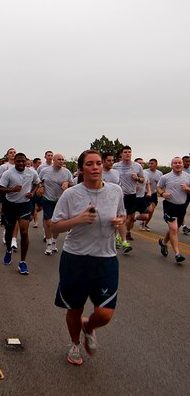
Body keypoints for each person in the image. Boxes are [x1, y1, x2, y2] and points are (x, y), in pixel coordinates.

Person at [51, 150, 124, 366]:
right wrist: (79, 219)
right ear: (81, 168)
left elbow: (123, 214)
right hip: (76, 258)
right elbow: (54, 227)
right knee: (75, 308)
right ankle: (74, 344)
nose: (95, 167)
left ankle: (89, 327)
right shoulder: (71, 194)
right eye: (89, 164)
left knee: (104, 314)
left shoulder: (116, 191)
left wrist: (120, 222)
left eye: (98, 163)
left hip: (106, 258)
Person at [0, 152, 40, 274]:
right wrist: (12, 189)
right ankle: (8, 250)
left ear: (26, 161)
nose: (21, 163)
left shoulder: (31, 172)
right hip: (10, 205)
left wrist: (32, 193)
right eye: (18, 161)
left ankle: (22, 262)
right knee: (9, 230)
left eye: (23, 161)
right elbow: (0, 189)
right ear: (14, 162)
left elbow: (37, 183)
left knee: (24, 231)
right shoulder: (8, 173)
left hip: (25, 205)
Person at [38, 153, 74, 255]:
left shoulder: (66, 172)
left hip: (60, 200)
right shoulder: (45, 171)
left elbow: (72, 183)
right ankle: (48, 244)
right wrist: (41, 186)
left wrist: (67, 183)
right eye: (59, 159)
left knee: (57, 222)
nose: (61, 161)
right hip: (47, 199)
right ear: (54, 160)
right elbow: (38, 181)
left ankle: (54, 242)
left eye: (62, 159)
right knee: (49, 222)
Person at [111, 145, 145, 252]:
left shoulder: (137, 166)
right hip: (120, 194)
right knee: (122, 216)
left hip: (132, 194)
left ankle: (120, 237)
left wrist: (138, 178)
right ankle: (119, 238)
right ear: (121, 154)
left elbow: (143, 179)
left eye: (129, 152)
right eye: (125, 152)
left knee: (130, 218)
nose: (128, 154)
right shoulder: (115, 166)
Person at [157, 157, 190, 263]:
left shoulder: (188, 177)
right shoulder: (165, 177)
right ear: (171, 165)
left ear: (182, 165)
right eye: (175, 163)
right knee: (174, 229)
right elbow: (159, 187)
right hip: (170, 205)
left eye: (179, 163)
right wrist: (163, 193)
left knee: (173, 229)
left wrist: (187, 189)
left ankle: (163, 242)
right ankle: (177, 254)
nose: (178, 164)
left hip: (182, 207)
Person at [140, 158, 162, 231]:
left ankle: (145, 224)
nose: (150, 165)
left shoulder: (159, 173)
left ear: (156, 164)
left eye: (152, 163)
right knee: (149, 209)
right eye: (149, 163)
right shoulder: (145, 172)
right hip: (145, 193)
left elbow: (160, 184)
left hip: (154, 193)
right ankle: (141, 220)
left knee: (152, 211)